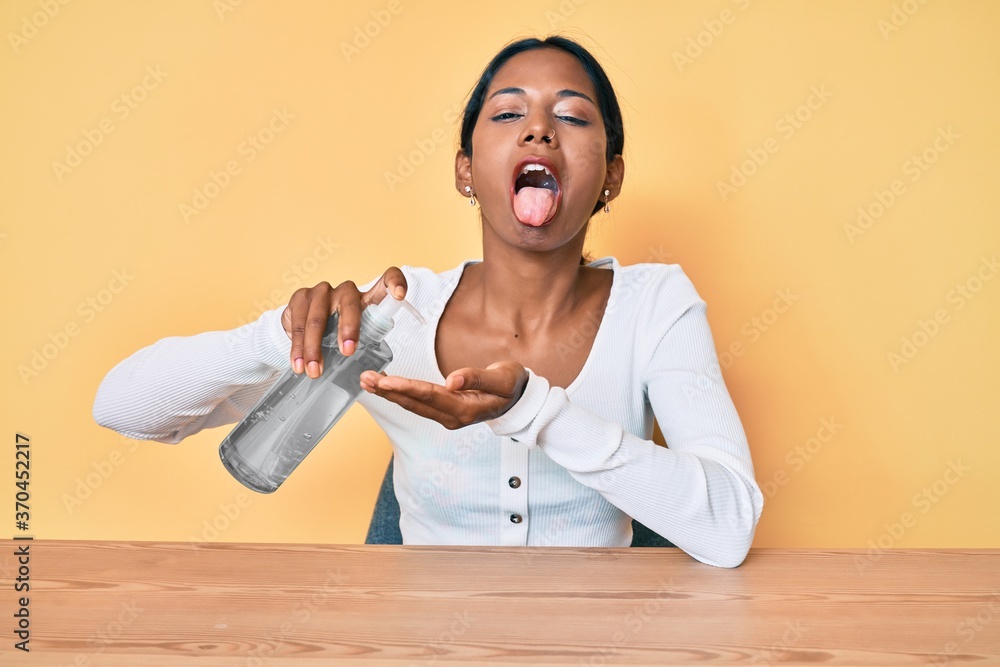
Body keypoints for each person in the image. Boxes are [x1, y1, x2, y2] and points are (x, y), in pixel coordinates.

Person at [93, 35, 763, 568]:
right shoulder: (394, 319)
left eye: (571, 115)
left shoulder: (655, 305)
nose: (538, 130)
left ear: (610, 174)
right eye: (507, 113)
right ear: (464, 169)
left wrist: (532, 408)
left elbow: (729, 528)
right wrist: (274, 337)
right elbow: (121, 407)